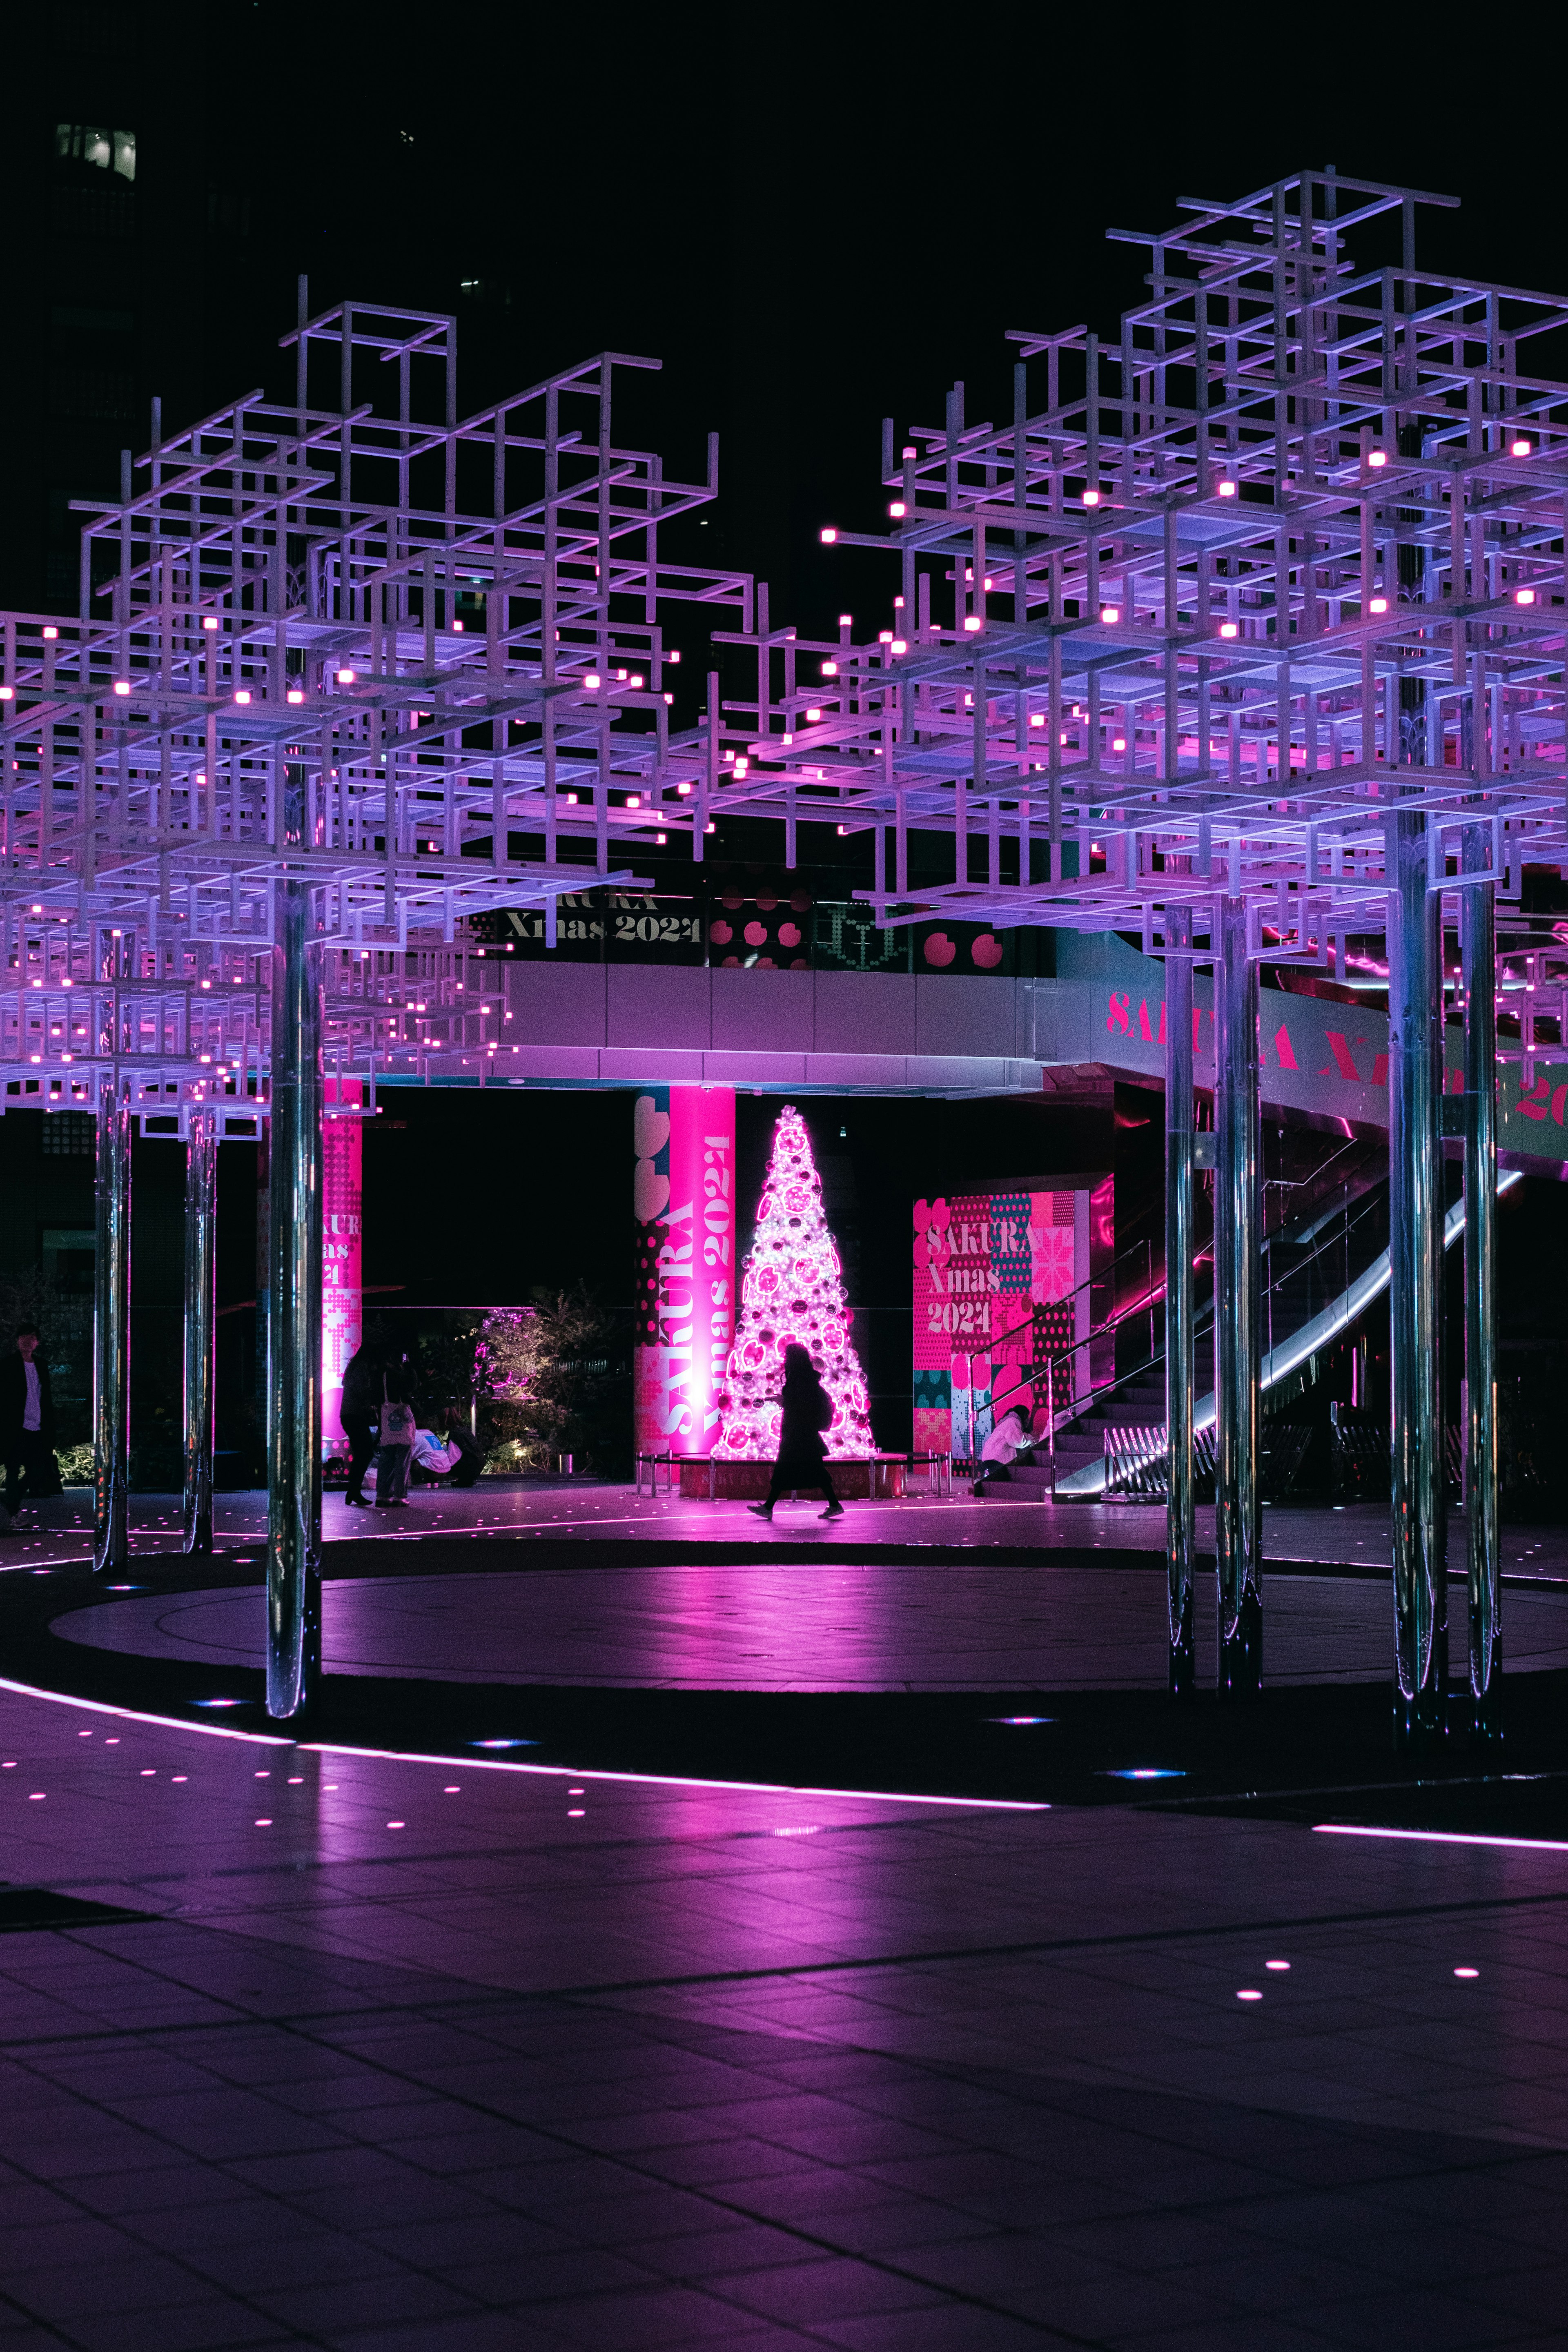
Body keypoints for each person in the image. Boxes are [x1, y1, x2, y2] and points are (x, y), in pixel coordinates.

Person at [748, 1343, 843, 1521]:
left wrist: (783, 1401)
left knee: (785, 1468)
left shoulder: (798, 1379)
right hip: (805, 1433)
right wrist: (783, 1400)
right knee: (815, 1470)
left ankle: (768, 1508)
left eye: (787, 1356)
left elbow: (798, 1405)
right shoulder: (806, 1378)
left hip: (798, 1433)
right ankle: (835, 1505)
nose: (784, 1360)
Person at [0, 1325, 57, 1518]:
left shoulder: (41, 1365)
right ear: (17, 1340)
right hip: (15, 1426)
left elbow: (46, 1396)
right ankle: (15, 1511)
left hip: (38, 1424)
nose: (27, 1340)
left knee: (38, 1470)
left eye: (31, 1337)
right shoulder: (8, 1365)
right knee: (13, 1468)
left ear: (37, 1342)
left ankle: (11, 1501)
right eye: (23, 1336)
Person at [339, 1340, 382, 1508]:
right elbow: (362, 1390)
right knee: (365, 1453)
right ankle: (354, 1491)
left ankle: (354, 1491)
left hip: (350, 1415)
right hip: (355, 1415)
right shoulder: (362, 1367)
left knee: (363, 1452)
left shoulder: (356, 1366)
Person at [372, 1349, 417, 1508]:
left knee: (386, 1459)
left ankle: (382, 1496)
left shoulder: (378, 1376)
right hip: (402, 1424)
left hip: (386, 1421)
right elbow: (411, 1385)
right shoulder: (396, 1375)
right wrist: (409, 1368)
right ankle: (400, 1496)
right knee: (403, 1460)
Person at [972, 1403, 1031, 1497]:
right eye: (1028, 1417)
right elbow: (1019, 1442)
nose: (1029, 1420)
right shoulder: (1013, 1422)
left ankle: (986, 1476)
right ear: (1023, 1415)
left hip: (990, 1458)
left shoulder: (1006, 1421)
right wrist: (1033, 1439)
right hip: (996, 1459)